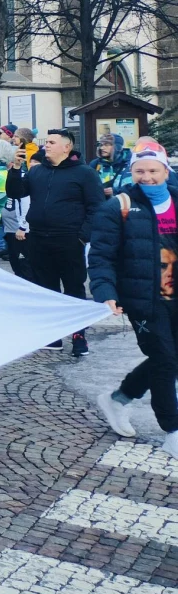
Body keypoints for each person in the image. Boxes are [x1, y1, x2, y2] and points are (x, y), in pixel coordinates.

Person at [90, 143, 178, 455]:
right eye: (140, 171)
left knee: (169, 359)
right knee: (165, 361)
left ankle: (119, 399)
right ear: (132, 172)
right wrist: (105, 292)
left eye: (153, 170)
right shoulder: (119, 206)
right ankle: (173, 431)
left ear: (166, 171)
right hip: (145, 300)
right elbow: (101, 256)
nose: (147, 177)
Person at [7, 127, 105, 356]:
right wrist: (16, 169)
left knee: (73, 287)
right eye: (46, 142)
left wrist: (82, 236)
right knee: (46, 288)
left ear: (66, 147)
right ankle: (53, 335)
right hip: (38, 238)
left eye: (51, 142)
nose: (46, 145)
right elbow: (15, 192)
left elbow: (97, 206)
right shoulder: (37, 171)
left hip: (69, 239)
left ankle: (79, 335)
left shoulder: (84, 173)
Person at [91, 133, 132, 199]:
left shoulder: (129, 164)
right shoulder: (95, 164)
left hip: (123, 202)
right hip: (100, 202)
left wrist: (115, 191)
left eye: (106, 145)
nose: (102, 148)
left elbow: (134, 188)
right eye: (101, 145)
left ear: (117, 147)